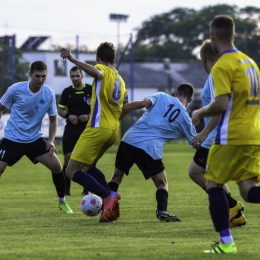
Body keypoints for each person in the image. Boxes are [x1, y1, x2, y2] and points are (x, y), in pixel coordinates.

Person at [191, 15, 260, 254]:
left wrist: (199, 110)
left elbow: (220, 104)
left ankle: (227, 244)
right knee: (248, 190)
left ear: (211, 37)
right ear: (235, 34)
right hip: (253, 135)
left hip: (231, 135)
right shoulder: (251, 63)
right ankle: (226, 242)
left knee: (213, 184)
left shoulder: (222, 65)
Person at [60, 42, 128, 222]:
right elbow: (126, 102)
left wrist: (73, 59)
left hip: (97, 128)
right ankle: (111, 202)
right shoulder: (120, 80)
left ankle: (108, 196)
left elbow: (98, 73)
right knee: (88, 168)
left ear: (98, 58)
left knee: (71, 171)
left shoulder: (101, 69)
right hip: (112, 130)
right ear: (114, 60)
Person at [108, 83, 196, 221]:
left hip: (129, 140)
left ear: (176, 92)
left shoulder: (161, 96)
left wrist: (118, 113)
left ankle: (106, 208)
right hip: (150, 148)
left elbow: (142, 103)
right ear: (190, 100)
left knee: (116, 177)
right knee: (162, 183)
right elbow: (196, 142)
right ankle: (162, 210)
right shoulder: (186, 119)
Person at [0, 60, 73, 214]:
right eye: (37, 76)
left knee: (57, 167)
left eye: (43, 76)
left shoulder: (49, 93)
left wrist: (51, 141)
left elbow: (53, 120)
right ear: (30, 75)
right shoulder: (15, 89)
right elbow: (0, 107)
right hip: (12, 139)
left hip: (34, 140)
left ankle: (62, 202)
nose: (40, 79)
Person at [188, 39, 246, 228]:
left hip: (217, 135)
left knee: (196, 172)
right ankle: (234, 215)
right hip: (229, 133)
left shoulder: (215, 75)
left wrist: (203, 133)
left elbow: (220, 109)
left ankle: (232, 206)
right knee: (214, 177)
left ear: (204, 58)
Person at [58, 65, 92, 196]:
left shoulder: (90, 90)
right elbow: (60, 109)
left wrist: (88, 116)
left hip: (87, 130)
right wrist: (68, 116)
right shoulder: (67, 92)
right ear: (70, 77)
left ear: (82, 76)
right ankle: (67, 189)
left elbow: (97, 109)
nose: (75, 78)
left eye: (78, 75)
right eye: (73, 76)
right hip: (71, 129)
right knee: (68, 159)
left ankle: (86, 188)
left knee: (85, 160)